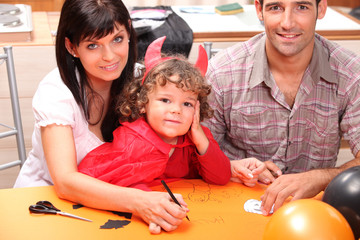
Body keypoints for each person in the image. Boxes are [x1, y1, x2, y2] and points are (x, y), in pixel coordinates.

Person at [13, 0, 189, 234]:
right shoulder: (56, 92)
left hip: (112, 206)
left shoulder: (144, 81)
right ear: (71, 47)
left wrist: (225, 164)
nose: (109, 56)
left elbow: (176, 135)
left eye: (117, 39)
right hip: (46, 204)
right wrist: (140, 202)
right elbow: (65, 182)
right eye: (93, 45)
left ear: (128, 31)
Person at [203, 0, 360, 216]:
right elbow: (191, 155)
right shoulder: (221, 72)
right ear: (259, 10)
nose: (287, 23)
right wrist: (232, 168)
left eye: (302, 7)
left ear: (321, 8)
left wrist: (320, 177)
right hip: (230, 209)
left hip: (313, 214)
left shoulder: (351, 74)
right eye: (275, 7)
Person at [78, 36, 232, 191]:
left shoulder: (196, 138)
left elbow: (221, 177)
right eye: (165, 100)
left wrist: (201, 140)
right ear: (143, 102)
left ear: (197, 108)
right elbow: (103, 182)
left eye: (187, 104)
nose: (176, 110)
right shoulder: (132, 141)